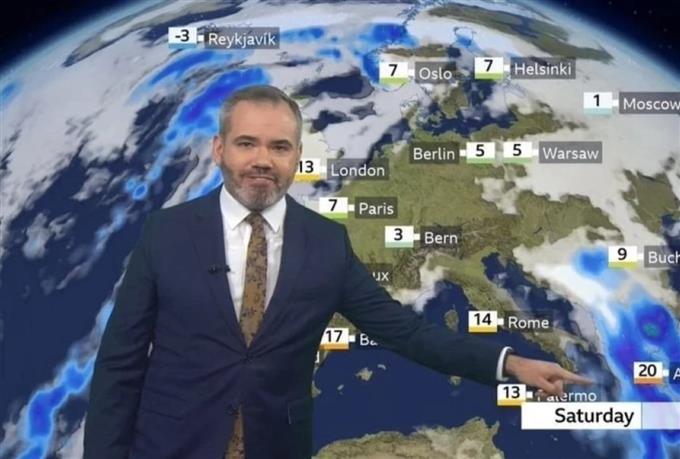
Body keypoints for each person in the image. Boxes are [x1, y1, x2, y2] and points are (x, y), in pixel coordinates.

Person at [83, 85, 591, 459]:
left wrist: (510, 364)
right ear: (220, 149)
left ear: (296, 158)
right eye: (247, 143)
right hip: (169, 446)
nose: (263, 160)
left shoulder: (326, 243)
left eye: (279, 147)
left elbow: (405, 332)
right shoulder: (166, 232)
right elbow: (119, 365)